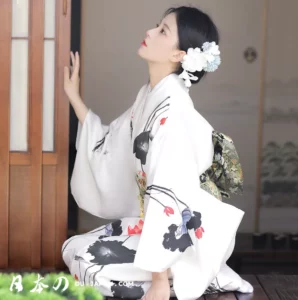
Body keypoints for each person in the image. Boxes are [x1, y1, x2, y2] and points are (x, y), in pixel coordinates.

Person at [62, 6, 253, 300]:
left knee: (84, 260)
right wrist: (74, 97)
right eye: (157, 26)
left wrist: (158, 280)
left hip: (179, 237)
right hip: (155, 225)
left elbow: (167, 191)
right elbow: (111, 142)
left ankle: (189, 276)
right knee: (73, 248)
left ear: (179, 54)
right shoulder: (150, 96)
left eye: (163, 30)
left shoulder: (173, 110)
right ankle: (192, 276)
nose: (149, 32)